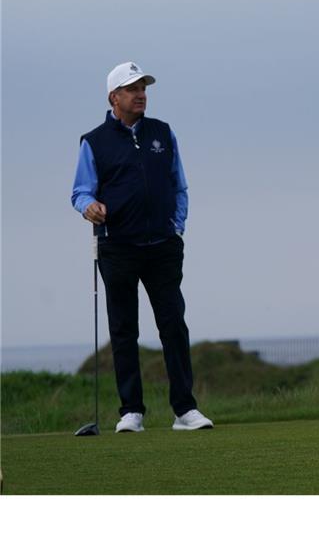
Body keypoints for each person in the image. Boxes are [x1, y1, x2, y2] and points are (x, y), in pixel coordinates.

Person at [71, 61, 213, 433]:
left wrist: (176, 226)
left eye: (143, 88)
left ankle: (185, 410)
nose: (141, 94)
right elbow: (80, 190)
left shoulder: (162, 133)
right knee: (123, 330)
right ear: (114, 97)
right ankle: (131, 411)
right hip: (118, 247)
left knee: (173, 326)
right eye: (132, 89)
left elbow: (178, 184)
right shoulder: (94, 141)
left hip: (163, 245)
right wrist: (89, 206)